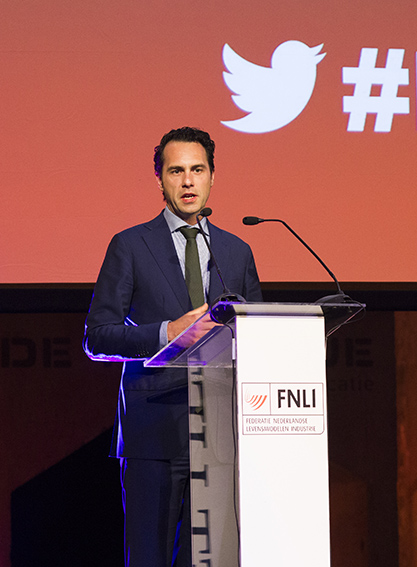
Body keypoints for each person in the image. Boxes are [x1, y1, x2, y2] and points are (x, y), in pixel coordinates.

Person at [84, 126, 263, 566]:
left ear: (212, 176)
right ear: (160, 179)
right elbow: (98, 336)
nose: (187, 181)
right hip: (153, 434)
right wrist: (167, 332)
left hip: (220, 435)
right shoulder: (130, 245)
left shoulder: (236, 251)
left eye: (197, 170)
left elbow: (256, 336)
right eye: (176, 171)